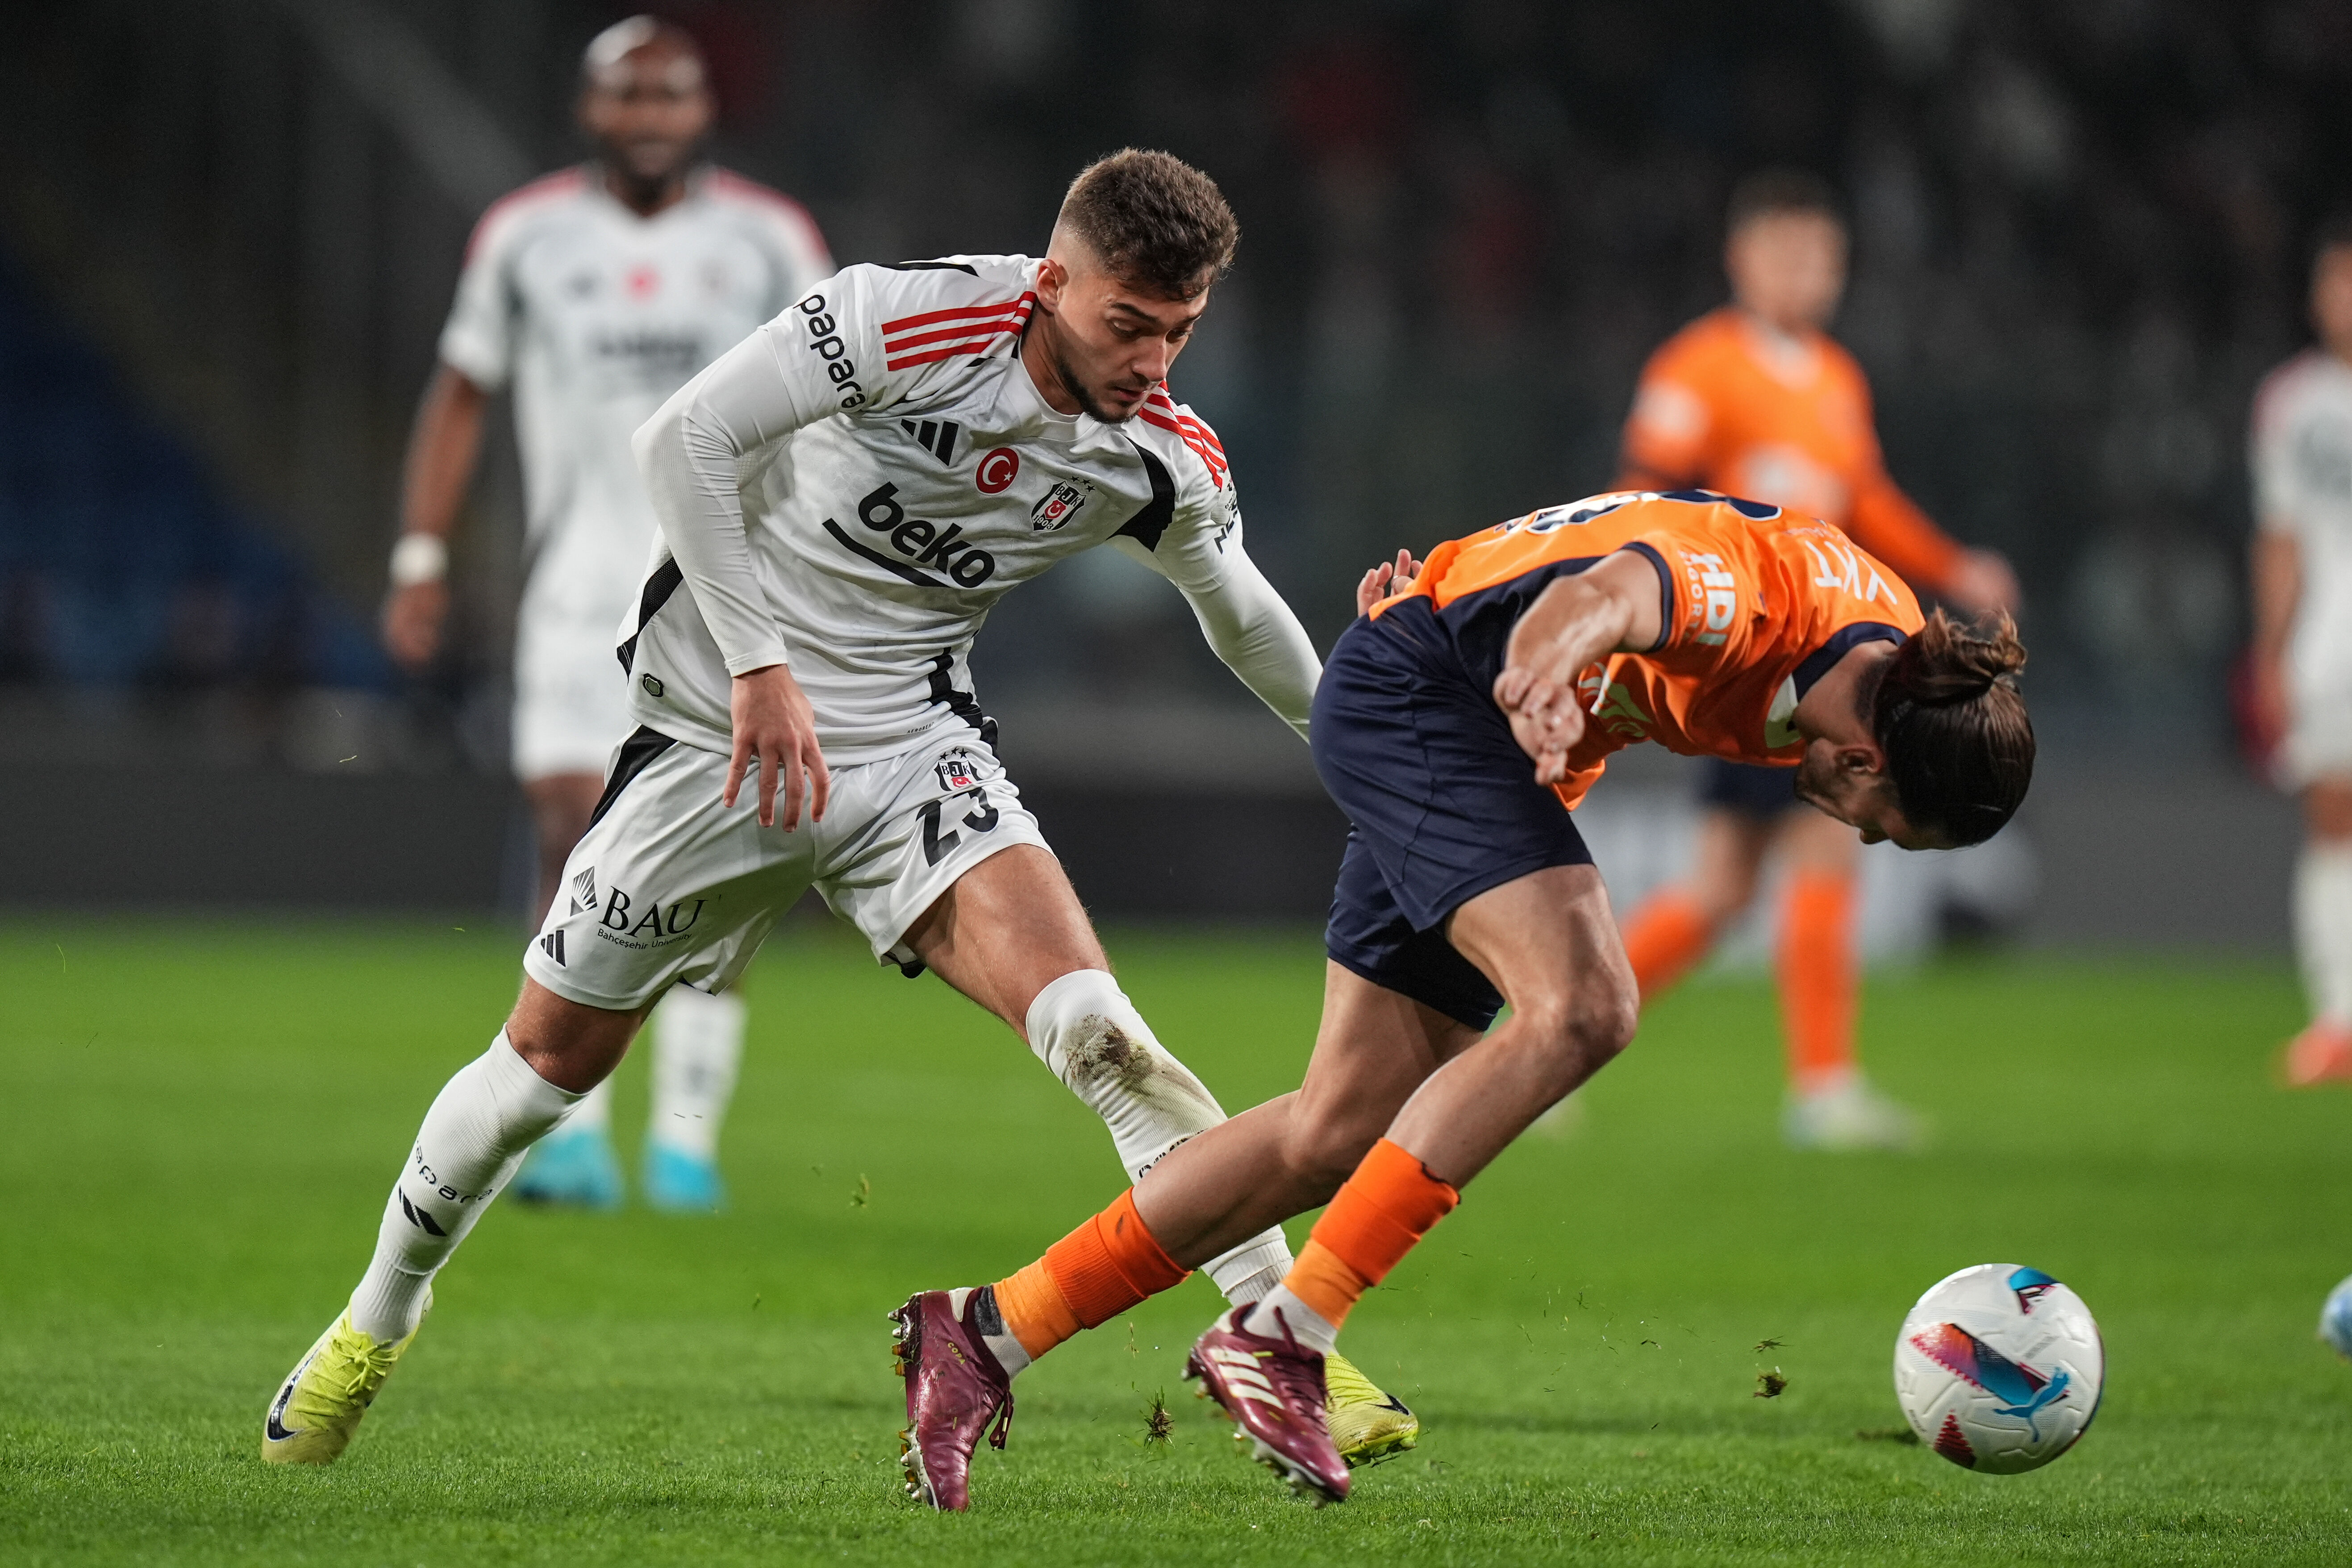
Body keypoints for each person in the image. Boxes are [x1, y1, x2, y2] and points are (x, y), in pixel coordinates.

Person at [262, 147, 1415, 1479]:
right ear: (1052, 284)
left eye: (1180, 331)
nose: (1153, 360)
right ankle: (373, 1320)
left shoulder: (1155, 454)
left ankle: (1277, 1347)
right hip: (714, 737)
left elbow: (1242, 620)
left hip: (910, 754)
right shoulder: (901, 317)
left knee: (1108, 1039)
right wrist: (758, 667)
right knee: (539, 1079)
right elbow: (681, 441)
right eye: (1126, 324)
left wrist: (1370, 758)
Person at [895, 489, 2035, 1505]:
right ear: (1871, 764)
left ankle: (988, 1331)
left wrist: (1464, 587)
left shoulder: (1881, 647)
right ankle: (1286, 1331)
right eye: (1895, 830)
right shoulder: (1767, 605)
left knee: (1334, 1129)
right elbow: (1615, 586)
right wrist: (1537, 657)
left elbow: (1596, 543)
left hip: (1447, 699)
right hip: (1431, 704)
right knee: (1587, 1006)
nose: (1870, 839)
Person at [383, 17, 832, 1211]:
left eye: (670, 96)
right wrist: (422, 555)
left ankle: (685, 1140)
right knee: (567, 835)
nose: (649, 115)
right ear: (591, 111)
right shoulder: (525, 237)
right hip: (576, 580)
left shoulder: (769, 240)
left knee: (722, 863)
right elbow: (462, 395)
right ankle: (572, 1129)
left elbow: (834, 408)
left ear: (702, 110)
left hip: (721, 586)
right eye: (626, 96)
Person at [1609, 170, 2021, 1151]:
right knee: (1787, 862)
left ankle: (1558, 1024)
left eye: (1821, 259)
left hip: (1827, 649)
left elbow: (1864, 500)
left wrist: (1952, 564)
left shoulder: (1836, 378)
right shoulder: (1699, 368)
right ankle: (1822, 1086)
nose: (1804, 275)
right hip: (1748, 652)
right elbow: (1641, 492)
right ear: (1741, 258)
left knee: (1729, 884)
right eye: (1786, 254)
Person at [2250, 213, 2352, 1085]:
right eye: (2338, 280)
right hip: (2333, 637)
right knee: (2332, 816)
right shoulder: (2293, 401)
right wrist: (2272, 650)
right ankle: (2337, 1018)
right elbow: (2280, 536)